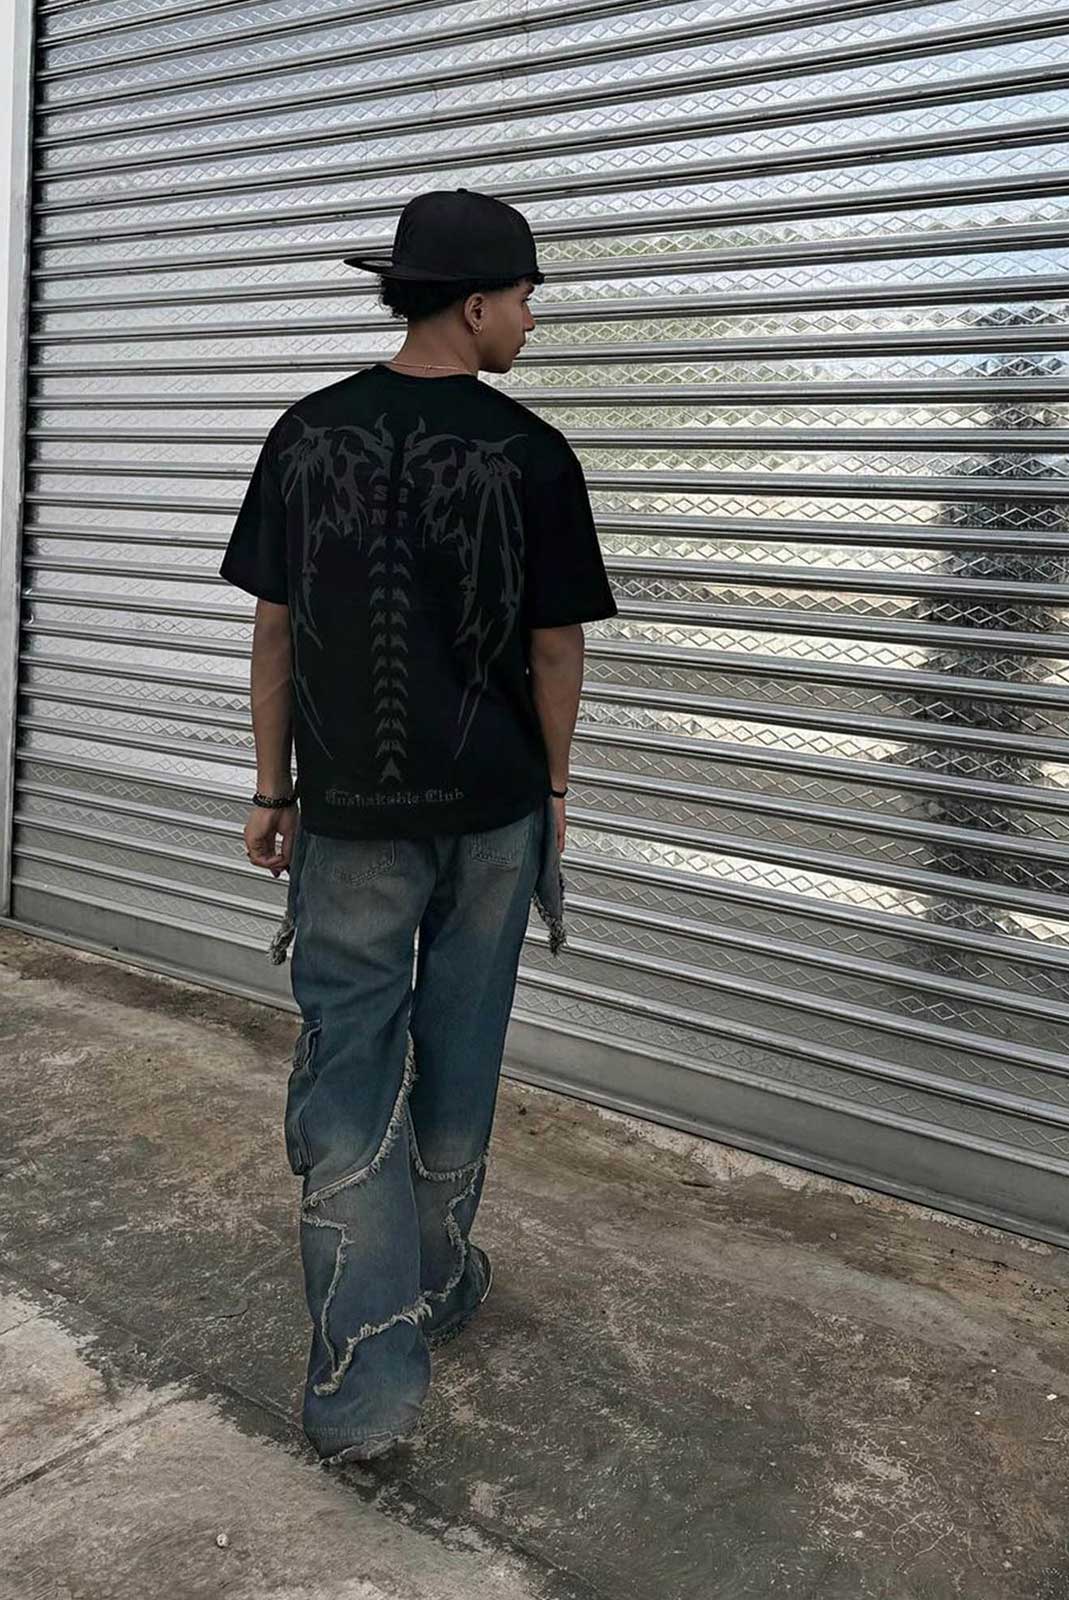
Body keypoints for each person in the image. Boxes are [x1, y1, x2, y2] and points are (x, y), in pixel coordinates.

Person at [217, 188, 618, 1468]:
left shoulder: (306, 433)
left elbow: (273, 630)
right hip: (492, 813)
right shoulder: (531, 453)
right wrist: (557, 792)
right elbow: (555, 649)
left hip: (349, 819)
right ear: (478, 302)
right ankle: (434, 1281)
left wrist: (273, 789)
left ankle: (364, 1384)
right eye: (527, 300)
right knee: (458, 1051)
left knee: (348, 1072)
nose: (533, 321)